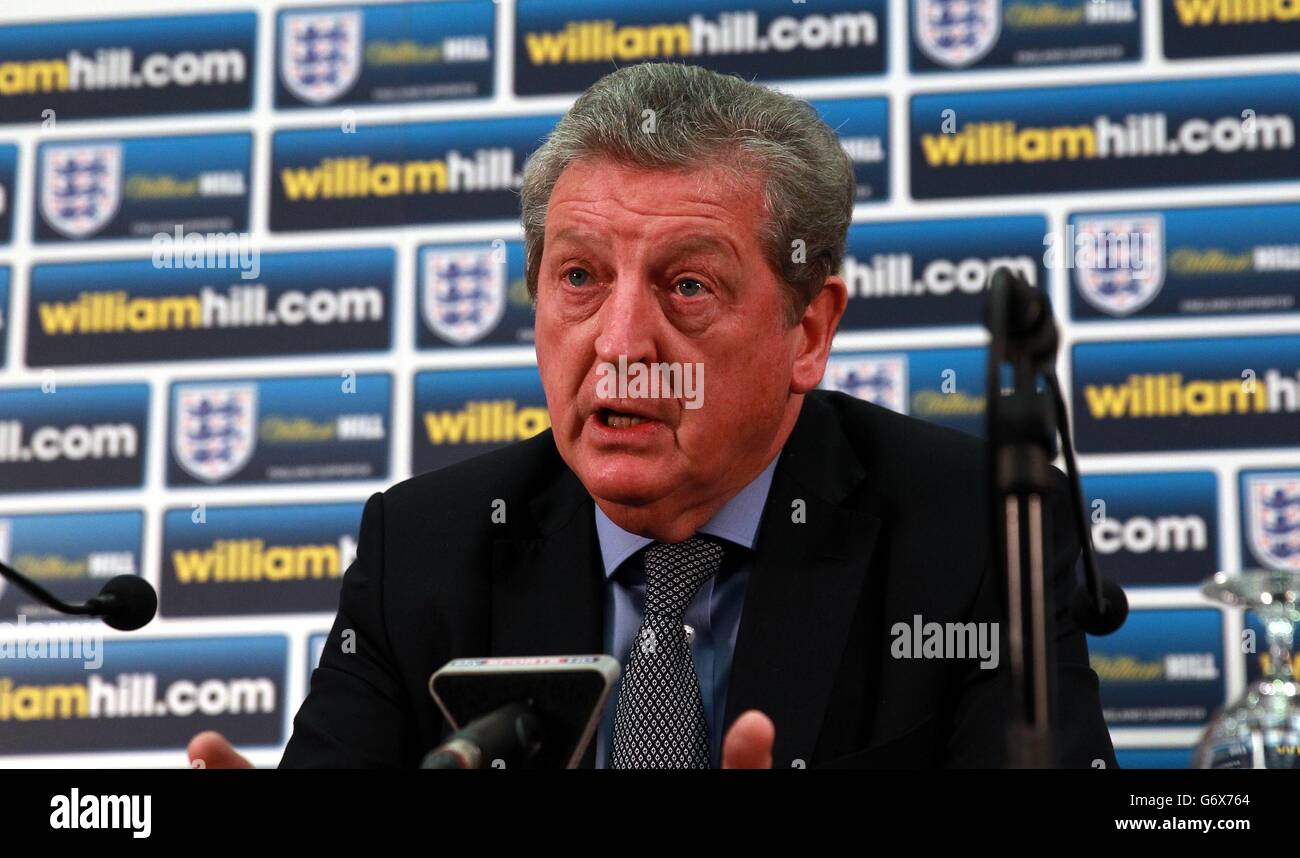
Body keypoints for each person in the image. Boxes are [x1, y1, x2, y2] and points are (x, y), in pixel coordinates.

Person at [189, 62, 1115, 770]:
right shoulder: (423, 550)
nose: (622, 343)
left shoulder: (980, 532)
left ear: (808, 330)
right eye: (581, 278)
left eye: (687, 285)